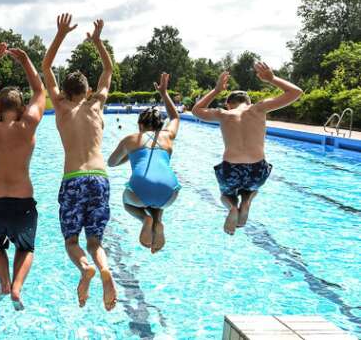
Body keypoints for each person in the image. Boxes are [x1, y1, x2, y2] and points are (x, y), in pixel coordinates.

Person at [42, 13, 117, 311]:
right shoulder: (96, 105)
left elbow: (46, 67)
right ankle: (104, 270)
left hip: (73, 178)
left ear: (65, 92)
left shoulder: (60, 106)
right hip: (99, 177)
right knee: (95, 242)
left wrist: (60, 34)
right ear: (86, 91)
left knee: (72, 242)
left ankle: (85, 268)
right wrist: (98, 42)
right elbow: (108, 69)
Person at [191, 63, 303, 235]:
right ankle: (247, 200)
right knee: (252, 188)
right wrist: (272, 79)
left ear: (229, 104)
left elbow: (196, 110)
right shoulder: (259, 108)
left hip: (231, 169)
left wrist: (216, 90)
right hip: (257, 169)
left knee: (225, 196)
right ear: (249, 102)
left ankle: (232, 208)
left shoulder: (223, 114)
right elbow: (296, 92)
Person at [0, 42, 46, 310]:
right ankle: (17, 287)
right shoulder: (29, 123)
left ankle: (4, 283)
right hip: (22, 202)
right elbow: (39, 90)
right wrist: (26, 61)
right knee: (25, 249)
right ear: (21, 108)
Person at [107, 73, 181, 254]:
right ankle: (157, 223)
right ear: (159, 126)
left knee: (127, 201)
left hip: (139, 192)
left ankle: (145, 220)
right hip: (171, 193)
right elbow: (175, 118)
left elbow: (111, 163)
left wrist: (131, 155)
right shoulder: (167, 136)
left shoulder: (131, 139)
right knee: (156, 203)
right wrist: (164, 93)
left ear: (140, 125)